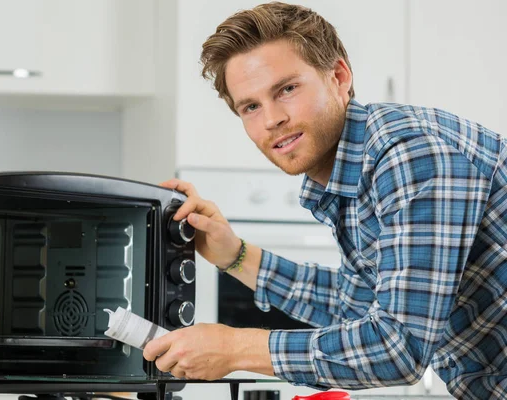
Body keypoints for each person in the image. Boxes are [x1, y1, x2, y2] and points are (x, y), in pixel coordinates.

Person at [142, 2, 507, 399]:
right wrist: (237, 256)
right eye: (251, 106)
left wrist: (234, 349)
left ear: (339, 76)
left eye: (286, 89)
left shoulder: (405, 153)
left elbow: (398, 347)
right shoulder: (348, 176)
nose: (271, 119)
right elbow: (358, 307)